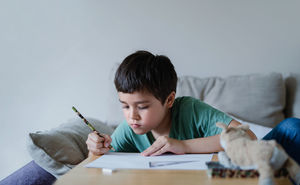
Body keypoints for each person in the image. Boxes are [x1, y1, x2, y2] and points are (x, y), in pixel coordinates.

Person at [86, 50, 300, 165]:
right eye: (124, 106)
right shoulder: (129, 129)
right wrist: (94, 150)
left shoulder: (190, 109)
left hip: (246, 166)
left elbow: (248, 137)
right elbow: (98, 166)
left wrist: (183, 146)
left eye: (142, 107)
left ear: (169, 100)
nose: (132, 116)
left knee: (292, 127)